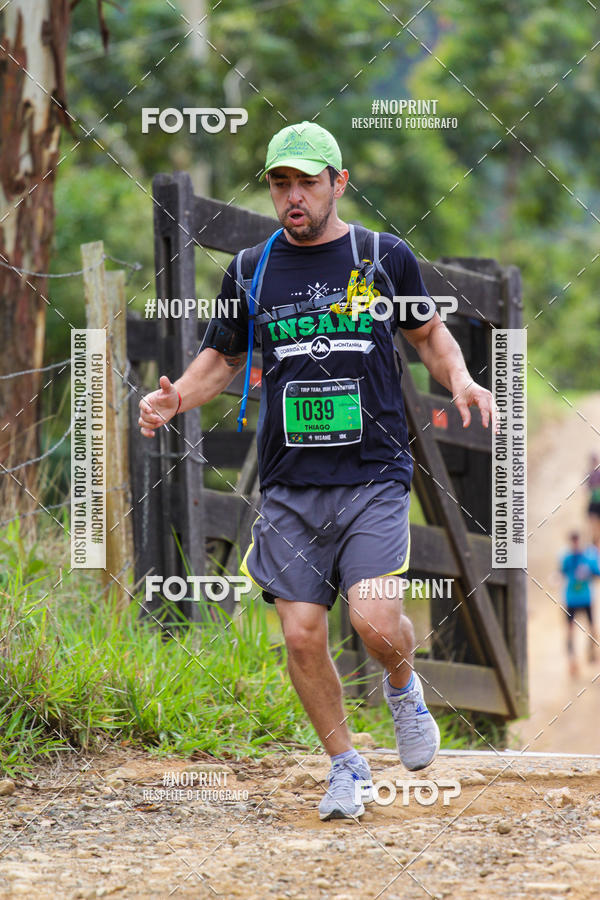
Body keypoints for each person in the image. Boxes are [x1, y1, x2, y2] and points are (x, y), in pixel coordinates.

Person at [139, 121, 496, 820]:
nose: (293, 196)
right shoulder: (250, 270)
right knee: (302, 633)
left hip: (373, 474)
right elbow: (223, 359)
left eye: (307, 182)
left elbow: (428, 333)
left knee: (373, 620)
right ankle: (346, 766)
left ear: (339, 183)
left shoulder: (381, 256)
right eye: (280, 184)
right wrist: (176, 396)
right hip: (290, 483)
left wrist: (459, 379)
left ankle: (403, 688)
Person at [559, 531, 600, 677]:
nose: (576, 544)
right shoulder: (566, 558)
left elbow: (597, 572)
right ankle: (572, 660)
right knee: (570, 631)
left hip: (586, 598)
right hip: (571, 599)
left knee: (592, 628)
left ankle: (591, 652)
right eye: (574, 541)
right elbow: (561, 572)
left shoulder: (589, 557)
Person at [586, 453, 600, 548]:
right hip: (593, 503)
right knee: (593, 528)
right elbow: (587, 488)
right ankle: (594, 544)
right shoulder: (589, 474)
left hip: (597, 503)